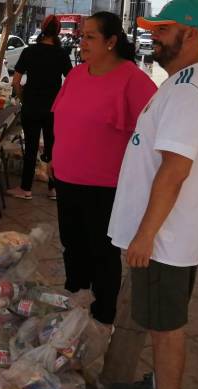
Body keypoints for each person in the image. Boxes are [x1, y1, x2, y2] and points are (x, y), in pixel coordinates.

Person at [108, 0, 198, 389]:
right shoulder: (180, 83)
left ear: (191, 34)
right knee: (161, 321)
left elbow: (174, 172)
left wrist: (145, 235)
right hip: (163, 235)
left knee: (165, 327)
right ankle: (160, 387)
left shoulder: (191, 93)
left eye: (163, 29)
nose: (153, 36)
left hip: (164, 240)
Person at [49, 11, 157, 325]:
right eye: (81, 36)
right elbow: (62, 118)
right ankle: (76, 302)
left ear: (111, 42)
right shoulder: (76, 74)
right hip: (68, 178)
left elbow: (156, 130)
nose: (82, 42)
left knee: (102, 251)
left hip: (106, 185)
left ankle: (102, 314)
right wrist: (54, 157)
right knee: (72, 245)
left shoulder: (133, 79)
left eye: (90, 36)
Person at [7, 15, 72, 200]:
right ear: (58, 32)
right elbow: (72, 81)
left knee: (31, 147)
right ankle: (53, 189)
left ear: (42, 29)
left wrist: (23, 98)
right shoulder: (62, 54)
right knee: (53, 148)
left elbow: (16, 81)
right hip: (53, 109)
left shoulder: (29, 52)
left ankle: (25, 189)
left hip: (31, 107)